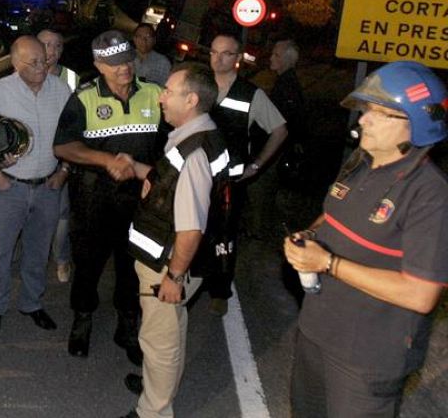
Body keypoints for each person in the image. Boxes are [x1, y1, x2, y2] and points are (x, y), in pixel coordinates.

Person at [283, 60, 448, 417]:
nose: (362, 120)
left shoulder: (430, 193)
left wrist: (327, 263)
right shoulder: (360, 162)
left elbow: (421, 294)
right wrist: (310, 235)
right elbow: (332, 211)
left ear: (416, 122)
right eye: (365, 110)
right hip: (316, 332)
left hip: (366, 357)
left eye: (377, 112)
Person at [119, 62, 230, 418]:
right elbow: (173, 184)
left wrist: (174, 277)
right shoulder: (202, 134)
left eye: (169, 91)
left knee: (159, 341)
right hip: (174, 260)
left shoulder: (194, 152)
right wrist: (139, 169)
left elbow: (190, 228)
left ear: (191, 99)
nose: (162, 97)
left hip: (167, 265)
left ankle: (153, 410)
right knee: (172, 331)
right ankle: (160, 386)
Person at [54, 29, 163, 364]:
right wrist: (106, 160)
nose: (123, 68)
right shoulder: (85, 97)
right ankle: (82, 318)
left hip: (141, 202)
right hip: (94, 200)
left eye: (127, 59)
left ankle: (127, 324)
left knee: (132, 268)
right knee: (88, 264)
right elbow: (62, 146)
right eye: (114, 63)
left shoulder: (155, 94)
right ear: (98, 64)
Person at [0, 36, 72, 334]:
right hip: (10, 187)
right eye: (32, 62)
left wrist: (64, 172)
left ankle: (32, 302)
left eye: (43, 61)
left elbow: (73, 136)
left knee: (38, 250)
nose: (41, 68)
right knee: (1, 251)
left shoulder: (61, 90)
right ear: (15, 63)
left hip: (48, 185)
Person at [207, 33, 287, 315]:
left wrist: (257, 166)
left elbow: (280, 130)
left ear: (238, 58)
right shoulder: (198, 84)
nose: (218, 58)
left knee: (225, 236)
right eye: (214, 52)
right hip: (196, 175)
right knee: (195, 230)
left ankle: (220, 291)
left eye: (226, 53)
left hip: (230, 180)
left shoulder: (251, 94)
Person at [37, 28, 79, 283]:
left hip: (60, 157)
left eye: (57, 46)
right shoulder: (21, 73)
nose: (51, 51)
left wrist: (65, 167)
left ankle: (61, 258)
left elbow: (76, 126)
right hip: (27, 159)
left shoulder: (71, 78)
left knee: (62, 213)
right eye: (46, 45)